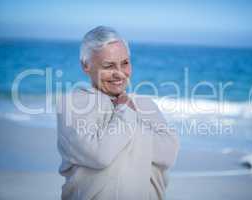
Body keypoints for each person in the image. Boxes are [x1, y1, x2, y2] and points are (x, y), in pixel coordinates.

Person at [57, 26, 179, 200]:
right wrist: (126, 113)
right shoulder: (72, 104)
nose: (119, 73)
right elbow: (100, 155)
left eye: (125, 63)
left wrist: (116, 135)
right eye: (108, 65)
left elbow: (168, 154)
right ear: (86, 65)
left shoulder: (145, 104)